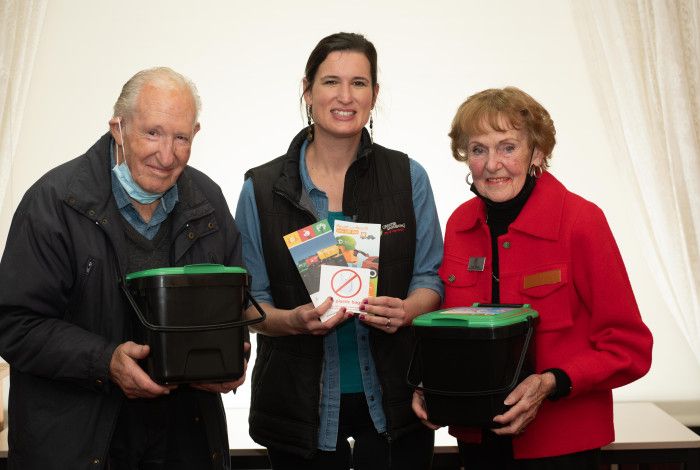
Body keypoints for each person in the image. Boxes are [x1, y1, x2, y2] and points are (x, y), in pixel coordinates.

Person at [0, 67, 248, 470]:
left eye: (180, 137)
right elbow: (14, 323)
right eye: (152, 133)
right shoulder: (54, 203)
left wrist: (232, 359)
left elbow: (233, 308)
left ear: (195, 134)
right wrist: (105, 361)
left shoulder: (209, 201)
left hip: (185, 441)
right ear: (118, 127)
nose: (167, 155)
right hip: (77, 444)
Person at [412, 87, 653, 469]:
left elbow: (630, 348)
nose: (493, 164)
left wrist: (551, 382)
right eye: (478, 149)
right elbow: (451, 329)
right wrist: (430, 383)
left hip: (562, 446)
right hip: (476, 442)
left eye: (508, 147)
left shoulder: (581, 222)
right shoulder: (460, 222)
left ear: (537, 153)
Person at [235, 32, 444, 469]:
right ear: (307, 91)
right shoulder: (260, 188)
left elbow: (429, 277)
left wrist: (406, 310)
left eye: (359, 83)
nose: (345, 96)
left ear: (374, 95)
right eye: (331, 82)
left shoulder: (409, 177)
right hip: (298, 409)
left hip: (395, 401)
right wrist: (291, 321)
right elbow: (249, 304)